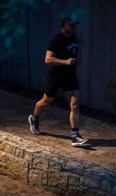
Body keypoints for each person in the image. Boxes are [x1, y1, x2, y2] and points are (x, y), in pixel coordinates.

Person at [28, 16, 87, 146]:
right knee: (46, 102)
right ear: (63, 25)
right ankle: (34, 118)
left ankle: (75, 136)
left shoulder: (73, 38)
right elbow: (47, 59)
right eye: (70, 24)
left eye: (74, 24)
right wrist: (65, 62)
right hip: (56, 76)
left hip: (70, 76)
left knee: (75, 104)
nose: (73, 27)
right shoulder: (56, 40)